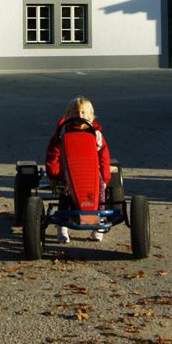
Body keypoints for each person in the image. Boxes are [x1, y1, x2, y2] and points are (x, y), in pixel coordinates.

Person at [44, 96, 110, 243]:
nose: (79, 116)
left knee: (99, 193)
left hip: (91, 173)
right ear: (68, 116)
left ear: (90, 116)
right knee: (65, 193)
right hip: (69, 172)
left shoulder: (96, 134)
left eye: (82, 113)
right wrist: (53, 175)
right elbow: (53, 154)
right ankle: (63, 226)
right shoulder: (62, 134)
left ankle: (94, 222)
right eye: (75, 113)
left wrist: (105, 177)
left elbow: (104, 157)